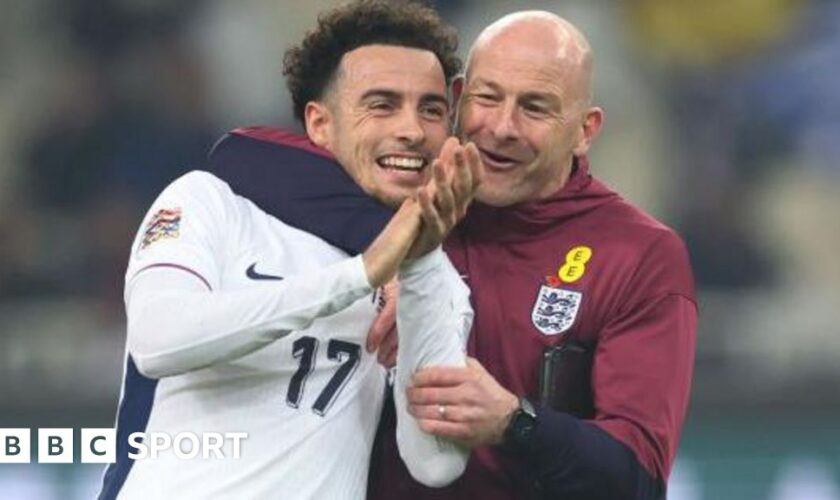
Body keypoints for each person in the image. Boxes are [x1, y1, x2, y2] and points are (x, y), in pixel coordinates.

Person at [98, 2, 482, 499]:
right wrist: (360, 276)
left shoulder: (436, 281)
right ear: (320, 124)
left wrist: (421, 263)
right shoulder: (211, 201)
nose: (411, 129)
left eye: (431, 109)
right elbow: (158, 340)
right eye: (382, 104)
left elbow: (435, 463)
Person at [366, 11, 697, 500]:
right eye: (488, 97)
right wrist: (377, 270)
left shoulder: (639, 255)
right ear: (458, 99)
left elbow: (638, 479)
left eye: (535, 107)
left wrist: (512, 421)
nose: (502, 127)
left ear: (585, 130)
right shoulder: (389, 206)